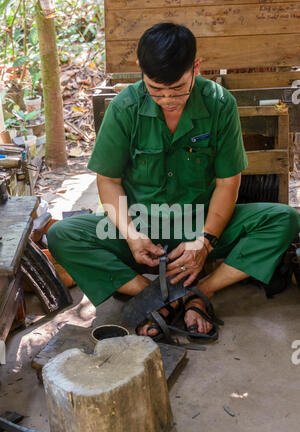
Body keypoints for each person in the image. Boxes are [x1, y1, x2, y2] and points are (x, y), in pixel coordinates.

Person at [47, 23, 300, 338]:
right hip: (142, 228)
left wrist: (205, 242)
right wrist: (131, 236)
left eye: (178, 88)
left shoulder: (220, 103)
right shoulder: (124, 107)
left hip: (202, 224)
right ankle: (153, 297)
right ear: (141, 71)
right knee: (62, 235)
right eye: (156, 89)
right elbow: (108, 181)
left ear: (196, 67)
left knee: (284, 220)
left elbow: (227, 184)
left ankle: (199, 292)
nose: (168, 99)